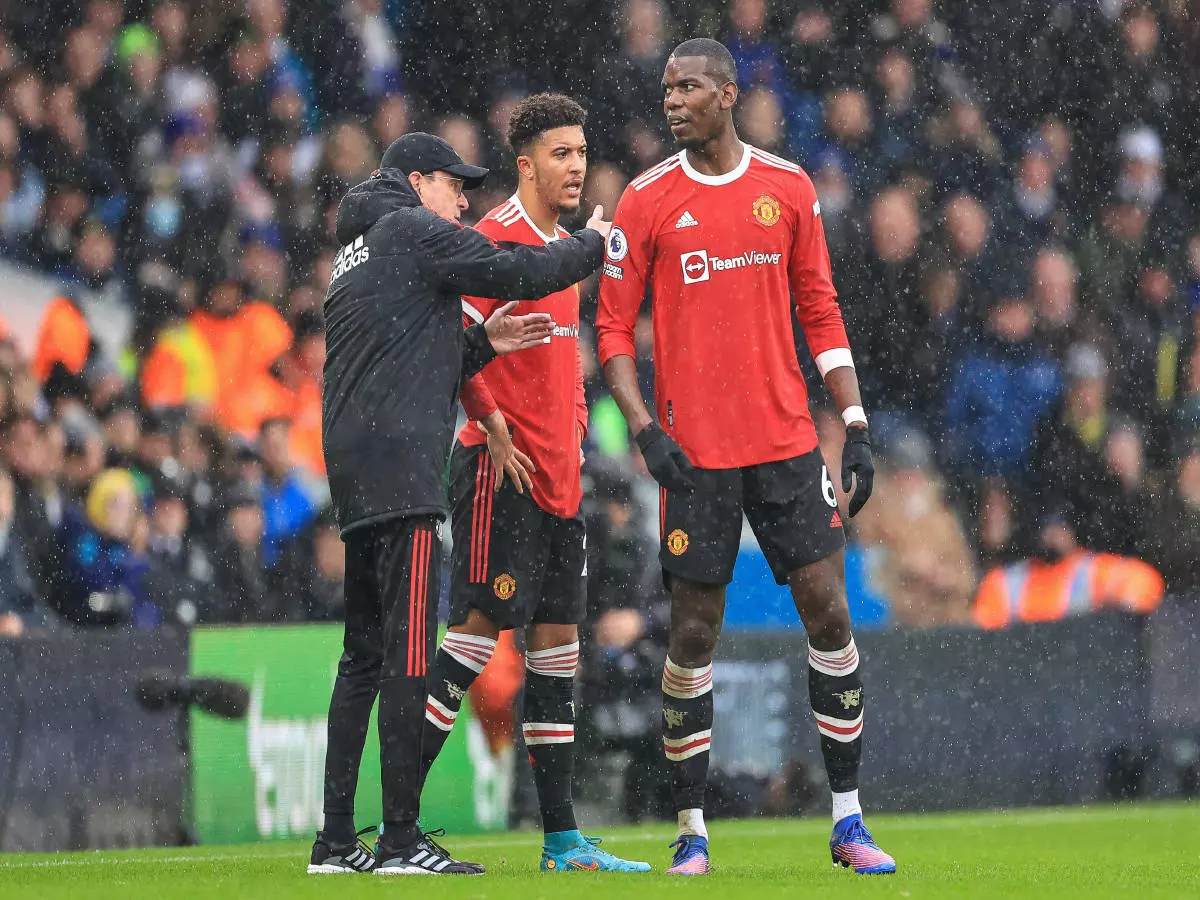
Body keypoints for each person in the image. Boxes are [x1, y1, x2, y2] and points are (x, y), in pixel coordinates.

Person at [596, 39, 895, 875]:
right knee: (693, 634)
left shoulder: (788, 188)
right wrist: (646, 428)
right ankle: (691, 827)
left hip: (787, 445)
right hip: (695, 458)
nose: (674, 99)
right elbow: (612, 332)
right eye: (667, 88)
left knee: (830, 616)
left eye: (689, 86)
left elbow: (820, 309)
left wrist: (857, 422)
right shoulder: (647, 201)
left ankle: (847, 820)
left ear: (728, 94)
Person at [314, 131, 609, 877]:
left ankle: (334, 841)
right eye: (453, 185)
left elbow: (413, 357)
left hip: (353, 470)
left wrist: (484, 346)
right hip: (404, 474)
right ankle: (403, 840)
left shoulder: (355, 253)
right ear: (418, 182)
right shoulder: (414, 230)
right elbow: (510, 264)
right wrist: (590, 248)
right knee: (410, 658)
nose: (462, 201)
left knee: (361, 660)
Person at [416, 94, 648, 873]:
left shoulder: (565, 251)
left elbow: (562, 364)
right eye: (560, 153)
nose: (576, 165)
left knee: (557, 652)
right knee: (475, 639)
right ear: (525, 164)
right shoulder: (493, 243)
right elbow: (454, 344)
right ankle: (395, 825)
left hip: (557, 481)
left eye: (582, 152)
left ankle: (561, 839)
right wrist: (496, 425)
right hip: (497, 472)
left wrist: (574, 435)